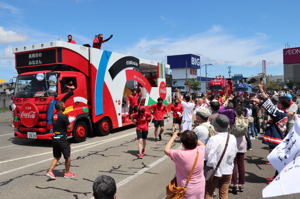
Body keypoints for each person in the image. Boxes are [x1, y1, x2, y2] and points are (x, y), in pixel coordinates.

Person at [252, 84, 289, 182]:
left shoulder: (279, 113)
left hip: (277, 138)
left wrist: (259, 101)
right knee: (278, 160)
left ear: (281, 104)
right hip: (278, 138)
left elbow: (270, 106)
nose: (277, 103)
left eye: (279, 102)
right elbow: (270, 105)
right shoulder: (282, 112)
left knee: (278, 160)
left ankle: (279, 178)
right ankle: (277, 177)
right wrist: (261, 90)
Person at [164, 130, 206, 199]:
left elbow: (166, 150)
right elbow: (202, 144)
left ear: (183, 144)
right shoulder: (200, 150)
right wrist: (191, 137)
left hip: (187, 188)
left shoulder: (180, 154)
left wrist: (174, 137)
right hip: (200, 186)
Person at [205, 114, 238, 199]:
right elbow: (234, 153)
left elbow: (207, 156)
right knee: (224, 194)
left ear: (215, 126)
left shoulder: (213, 139)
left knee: (209, 193)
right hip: (228, 169)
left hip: (214, 170)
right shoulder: (232, 137)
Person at [46, 101, 75, 179]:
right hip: (62, 140)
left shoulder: (53, 116)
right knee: (67, 157)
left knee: (57, 157)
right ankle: (67, 173)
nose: (65, 106)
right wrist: (72, 121)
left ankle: (50, 171)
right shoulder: (64, 116)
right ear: (61, 107)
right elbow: (69, 128)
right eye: (64, 105)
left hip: (55, 139)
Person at [230, 106, 248, 194]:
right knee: (241, 164)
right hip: (242, 143)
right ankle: (241, 184)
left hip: (233, 143)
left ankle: (234, 184)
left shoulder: (233, 121)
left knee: (234, 164)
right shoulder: (245, 120)